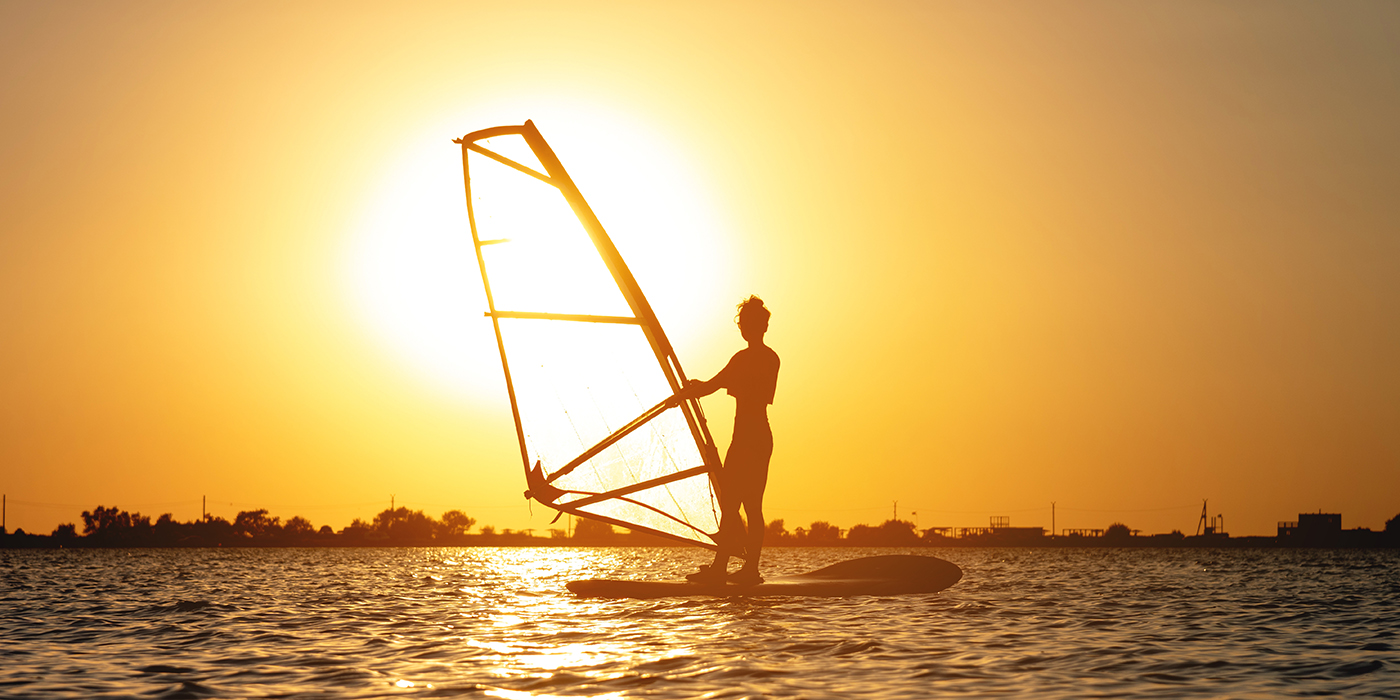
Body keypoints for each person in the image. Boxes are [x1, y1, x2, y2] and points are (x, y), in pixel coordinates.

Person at [671, 295, 780, 585]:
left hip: (751, 439)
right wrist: (694, 389)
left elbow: (713, 385)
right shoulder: (762, 358)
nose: (744, 329)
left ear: (760, 327)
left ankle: (739, 570)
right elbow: (711, 385)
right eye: (743, 324)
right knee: (739, 506)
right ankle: (733, 568)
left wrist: (693, 390)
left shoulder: (753, 359)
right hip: (750, 438)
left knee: (742, 506)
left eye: (747, 324)